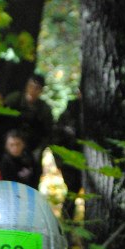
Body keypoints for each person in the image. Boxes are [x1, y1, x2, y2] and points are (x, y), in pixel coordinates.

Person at [3, 73, 54, 187]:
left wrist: (38, 150)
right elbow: (1, 120)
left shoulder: (44, 109)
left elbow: (48, 133)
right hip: (10, 150)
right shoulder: (15, 99)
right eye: (31, 86)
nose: (33, 90)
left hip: (31, 152)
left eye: (37, 88)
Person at [52, 89, 84, 229]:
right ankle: (66, 229)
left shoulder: (97, 114)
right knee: (72, 193)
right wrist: (60, 161)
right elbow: (56, 138)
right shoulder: (69, 113)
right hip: (70, 162)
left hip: (88, 162)